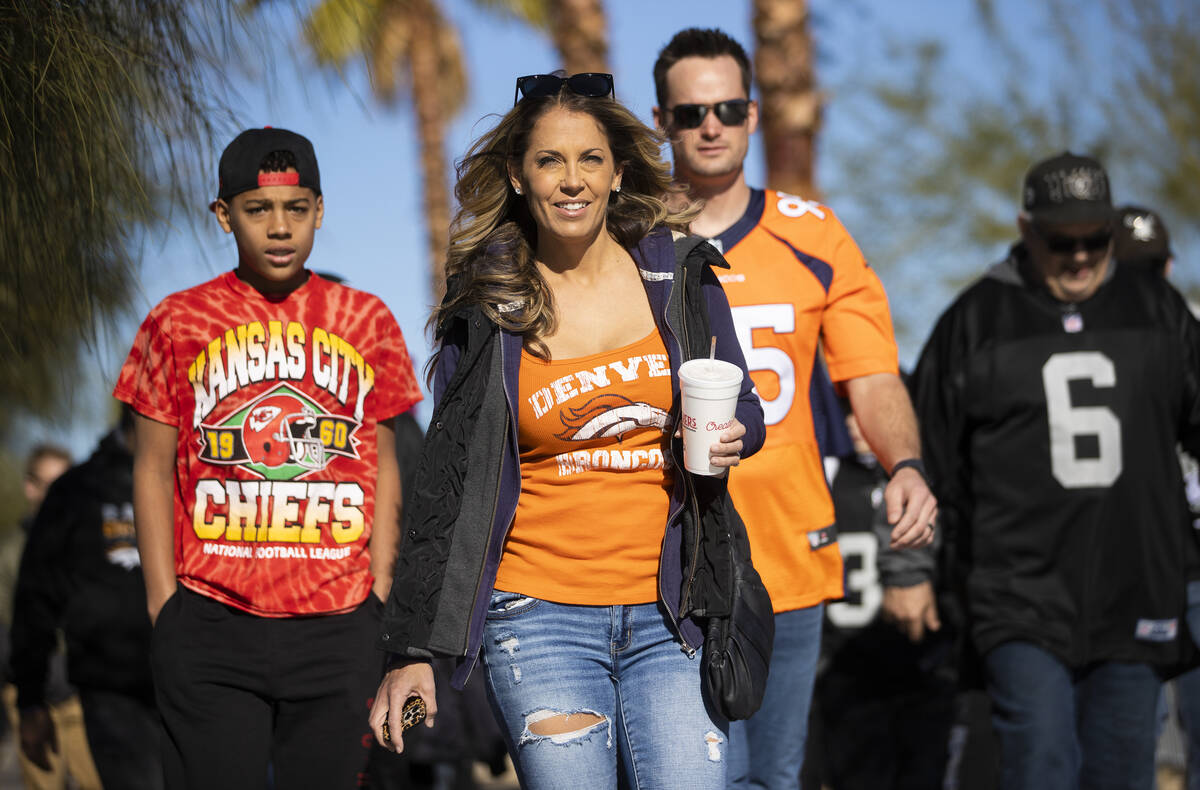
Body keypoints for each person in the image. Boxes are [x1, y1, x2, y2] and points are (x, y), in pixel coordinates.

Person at [369, 72, 766, 789]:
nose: (571, 179)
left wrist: (732, 435)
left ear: (618, 173)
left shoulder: (679, 276)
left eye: (590, 159)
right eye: (550, 160)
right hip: (536, 616)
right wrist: (409, 648)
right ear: (519, 178)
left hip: (671, 611)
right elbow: (445, 482)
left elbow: (746, 409)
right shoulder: (489, 303)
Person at [650, 28, 937, 788]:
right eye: (689, 113)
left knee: (772, 779)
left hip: (785, 548)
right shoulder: (629, 241)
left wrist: (902, 462)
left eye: (727, 107)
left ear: (752, 115)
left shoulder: (814, 234)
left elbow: (871, 375)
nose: (709, 126)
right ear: (660, 123)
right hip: (661, 552)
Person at [114, 127, 422, 789]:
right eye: (258, 210)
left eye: (296, 209)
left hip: (340, 623)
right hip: (210, 621)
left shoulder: (366, 319)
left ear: (318, 210)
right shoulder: (177, 321)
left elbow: (386, 460)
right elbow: (149, 465)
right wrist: (162, 605)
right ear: (224, 215)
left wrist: (383, 587)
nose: (279, 228)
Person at [906, 152, 1200, 790]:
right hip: (1019, 596)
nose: (1079, 256)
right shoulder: (976, 321)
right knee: (1040, 764)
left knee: (1120, 773)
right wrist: (911, 570)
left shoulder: (1156, 311)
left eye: (1096, 239)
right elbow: (921, 456)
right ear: (1025, 229)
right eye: (1060, 241)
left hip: (1136, 590)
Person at [802, 409, 957, 790]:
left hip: (918, 661)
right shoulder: (825, 472)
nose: (856, 423)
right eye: (847, 412)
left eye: (864, 412)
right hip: (845, 666)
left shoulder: (925, 476)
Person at [9, 405, 162, 789]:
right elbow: (35, 600)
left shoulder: (191, 482)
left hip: (188, 685)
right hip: (110, 693)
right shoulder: (76, 491)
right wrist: (30, 700)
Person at [0, 444, 102, 790]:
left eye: (66, 484)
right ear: (30, 486)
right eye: (49, 485)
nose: (60, 495)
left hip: (83, 694)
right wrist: (27, 700)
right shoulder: (9, 553)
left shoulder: (89, 551)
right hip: (31, 696)